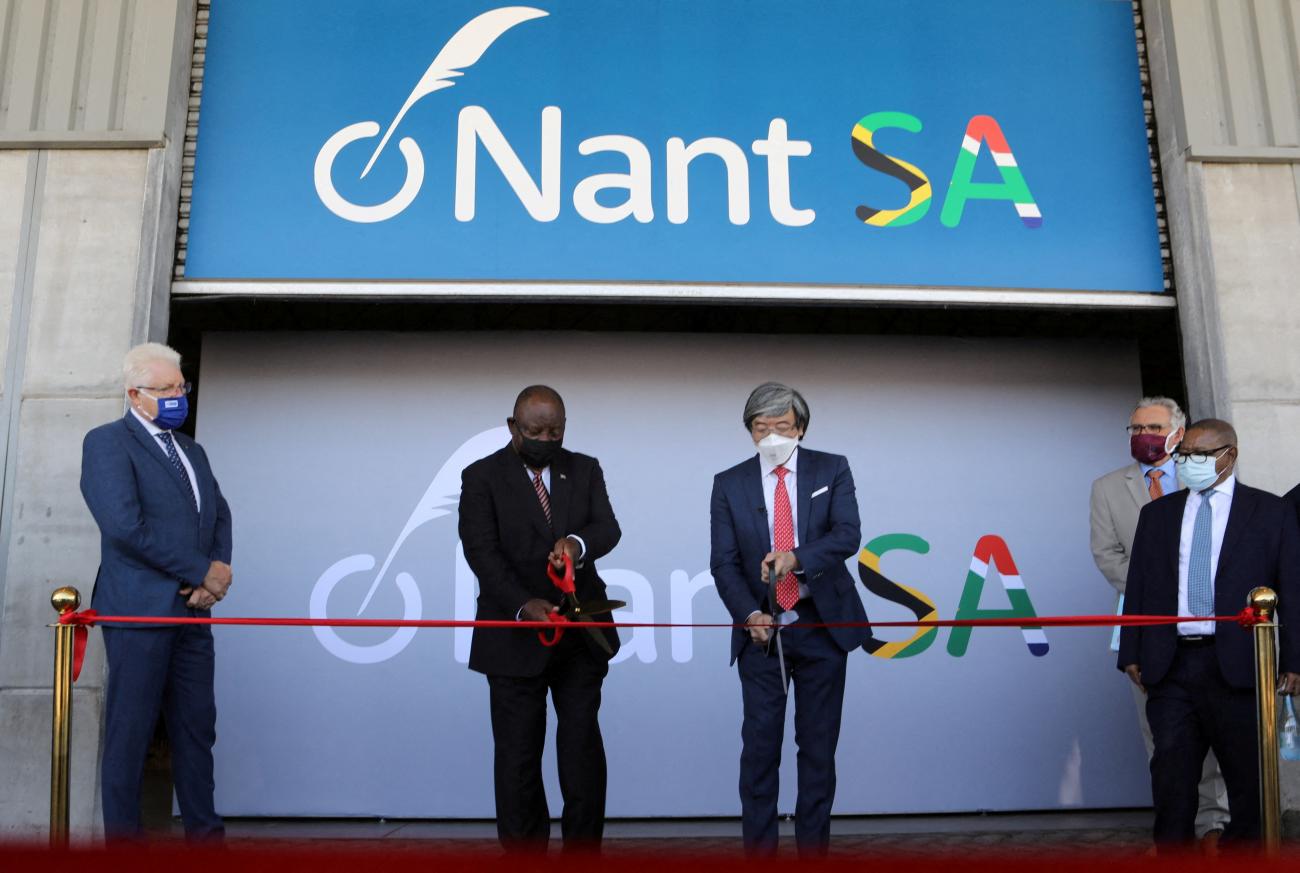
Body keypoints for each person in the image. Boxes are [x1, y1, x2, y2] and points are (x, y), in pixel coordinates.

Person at [1118, 418, 1300, 846]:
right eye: (1184, 455)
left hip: (1241, 667)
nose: (1188, 463)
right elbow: (1139, 585)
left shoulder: (1271, 512)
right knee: (1172, 781)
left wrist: (1294, 661)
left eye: (1199, 455)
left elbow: (1292, 589)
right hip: (1171, 664)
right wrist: (1130, 651)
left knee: (1249, 784)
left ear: (1229, 456)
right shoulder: (1157, 514)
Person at [80, 342, 233, 840]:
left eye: (181, 387)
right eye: (165, 389)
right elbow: (125, 527)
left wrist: (218, 569)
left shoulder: (192, 449)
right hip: (139, 611)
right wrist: (198, 571)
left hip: (193, 613)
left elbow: (218, 513)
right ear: (135, 394)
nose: (176, 396)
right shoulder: (107, 442)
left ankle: (205, 841)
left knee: (196, 730)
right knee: (132, 732)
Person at [458, 385, 621, 851]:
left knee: (582, 751)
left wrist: (576, 544)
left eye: (555, 430)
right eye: (535, 431)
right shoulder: (481, 477)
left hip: (580, 636)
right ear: (513, 427)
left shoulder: (584, 469)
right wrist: (522, 604)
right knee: (517, 758)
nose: (546, 438)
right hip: (513, 636)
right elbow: (481, 553)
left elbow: (607, 528)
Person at [709, 382, 869, 856]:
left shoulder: (831, 468)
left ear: (800, 427)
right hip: (763, 635)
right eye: (762, 427)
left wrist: (794, 558)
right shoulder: (729, 482)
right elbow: (723, 562)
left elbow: (847, 535)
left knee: (817, 751)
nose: (772, 435)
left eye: (782, 426)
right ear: (749, 432)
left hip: (823, 628)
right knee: (760, 751)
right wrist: (750, 612)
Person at [1089, 397, 1229, 846]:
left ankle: (1213, 824)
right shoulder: (1108, 487)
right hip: (1143, 623)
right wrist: (1158, 590)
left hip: (1208, 625)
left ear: (1177, 432)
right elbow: (1106, 554)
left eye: (1150, 426)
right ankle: (1173, 832)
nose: (1140, 435)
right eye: (1133, 428)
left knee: (1213, 728)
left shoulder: (1205, 478)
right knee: (1162, 737)